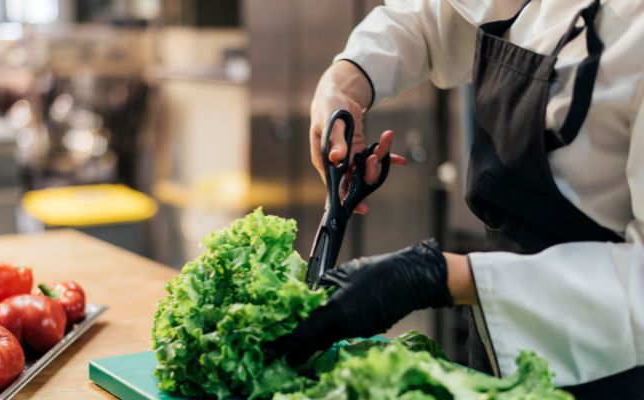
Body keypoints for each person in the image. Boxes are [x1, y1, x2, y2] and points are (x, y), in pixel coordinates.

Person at [271, 1, 644, 398]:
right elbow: (431, 20)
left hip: (606, 364)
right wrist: (345, 83)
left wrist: (433, 277)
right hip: (495, 336)